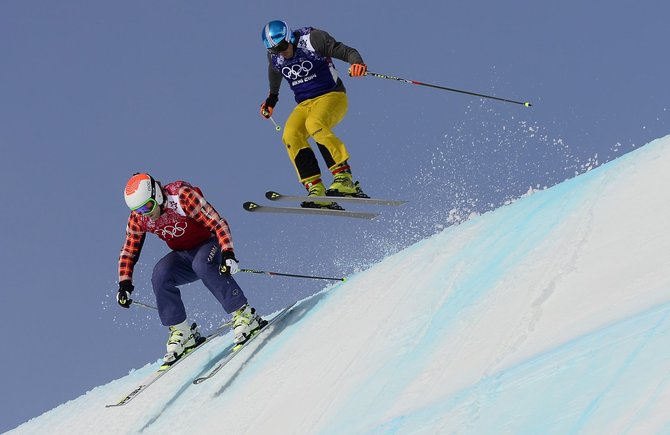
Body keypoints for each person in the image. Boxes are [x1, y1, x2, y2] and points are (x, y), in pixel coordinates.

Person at [116, 173, 266, 366]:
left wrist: (228, 253)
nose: (145, 213)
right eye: (139, 210)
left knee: (201, 264)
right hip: (184, 255)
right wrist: (124, 284)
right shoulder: (139, 218)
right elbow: (129, 250)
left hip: (211, 245)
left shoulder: (181, 196)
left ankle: (245, 314)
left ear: (157, 195)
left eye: (147, 206)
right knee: (160, 274)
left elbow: (218, 223)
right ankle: (182, 332)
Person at [260, 20, 369, 208]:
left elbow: (346, 51)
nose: (282, 52)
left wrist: (357, 63)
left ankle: (344, 178)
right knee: (290, 135)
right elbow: (274, 73)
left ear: (290, 38)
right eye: (276, 50)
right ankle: (316, 188)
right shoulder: (275, 57)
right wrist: (272, 99)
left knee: (314, 124)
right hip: (304, 104)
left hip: (332, 96)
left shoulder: (312, 40)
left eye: (284, 46)